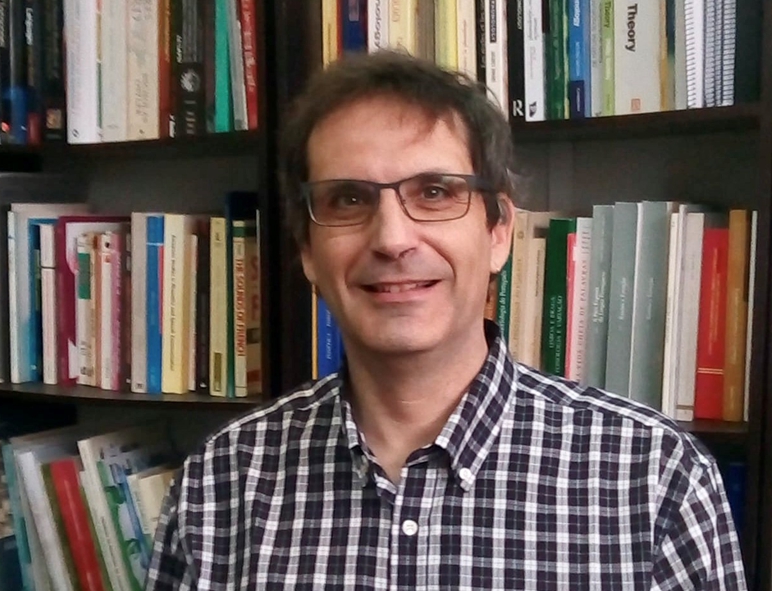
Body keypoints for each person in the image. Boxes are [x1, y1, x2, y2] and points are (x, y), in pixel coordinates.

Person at [145, 49, 747, 590]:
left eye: (434, 192)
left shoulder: (654, 479)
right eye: (349, 199)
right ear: (307, 250)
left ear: (498, 231)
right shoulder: (221, 482)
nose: (393, 239)